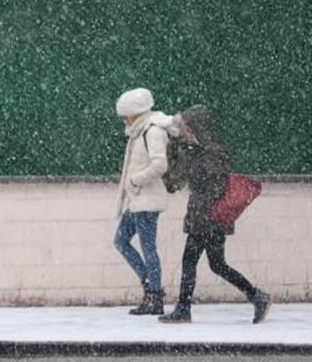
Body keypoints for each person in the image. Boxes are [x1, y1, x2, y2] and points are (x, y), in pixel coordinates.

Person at [159, 105, 272, 324]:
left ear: (196, 127)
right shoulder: (200, 150)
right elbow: (177, 178)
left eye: (184, 126)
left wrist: (201, 208)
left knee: (190, 261)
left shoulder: (212, 153)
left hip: (207, 219)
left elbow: (215, 188)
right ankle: (257, 296)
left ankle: (183, 309)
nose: (182, 130)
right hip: (207, 218)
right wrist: (175, 146)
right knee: (217, 264)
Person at [113, 88, 174, 315]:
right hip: (137, 200)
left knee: (148, 248)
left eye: (126, 114)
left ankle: (154, 296)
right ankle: (150, 287)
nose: (124, 119)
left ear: (136, 112)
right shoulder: (139, 131)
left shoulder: (153, 131)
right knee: (121, 241)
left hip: (147, 200)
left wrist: (135, 181)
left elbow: (160, 165)